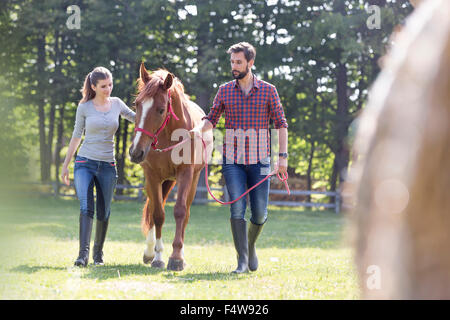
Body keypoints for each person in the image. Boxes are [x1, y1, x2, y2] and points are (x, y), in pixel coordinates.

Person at [190, 42, 289, 273]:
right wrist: (198, 130)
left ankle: (250, 246)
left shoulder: (268, 90)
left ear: (250, 63)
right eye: (232, 62)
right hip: (232, 159)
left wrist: (282, 158)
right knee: (236, 208)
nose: (234, 66)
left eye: (238, 62)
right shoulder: (224, 90)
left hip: (261, 160)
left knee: (260, 213)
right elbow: (211, 118)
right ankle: (242, 261)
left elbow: (281, 124)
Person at [61, 67, 135, 267]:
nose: (108, 89)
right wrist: (66, 165)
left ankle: (98, 255)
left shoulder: (118, 104)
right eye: (103, 86)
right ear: (93, 86)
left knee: (105, 211)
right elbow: (77, 136)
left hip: (108, 166)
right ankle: (82, 256)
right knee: (87, 207)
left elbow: (139, 120)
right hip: (85, 163)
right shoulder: (84, 107)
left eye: (110, 84)